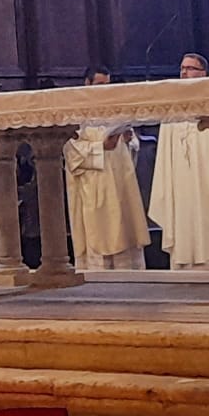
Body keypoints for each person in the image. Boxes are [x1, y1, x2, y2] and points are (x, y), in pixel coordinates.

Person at [148, 54, 209, 270]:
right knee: (182, 206)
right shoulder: (172, 106)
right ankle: (184, 256)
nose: (184, 72)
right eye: (182, 68)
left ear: (203, 73)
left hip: (207, 173)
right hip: (180, 174)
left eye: (191, 68)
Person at [65, 70, 148, 270]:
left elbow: (132, 147)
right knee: (100, 231)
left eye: (107, 84)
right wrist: (101, 147)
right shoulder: (75, 113)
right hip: (94, 184)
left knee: (125, 226)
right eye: (99, 84)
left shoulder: (114, 110)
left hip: (120, 183)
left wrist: (128, 140)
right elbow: (71, 152)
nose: (104, 89)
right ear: (87, 83)